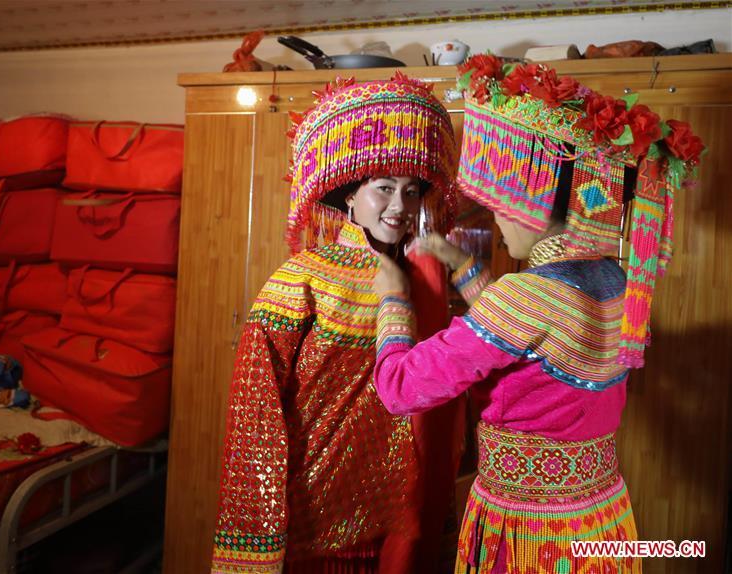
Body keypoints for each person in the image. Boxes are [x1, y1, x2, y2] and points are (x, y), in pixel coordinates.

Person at [372, 56, 703, 573]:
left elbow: (400, 388)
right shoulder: (615, 280)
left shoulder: (526, 296)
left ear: (545, 203)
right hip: (600, 517)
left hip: (529, 533)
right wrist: (459, 262)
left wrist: (392, 299)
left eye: (507, 203)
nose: (499, 217)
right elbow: (520, 333)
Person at [211, 74, 464, 574]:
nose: (399, 207)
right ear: (349, 195)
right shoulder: (304, 274)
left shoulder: (429, 277)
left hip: (403, 502)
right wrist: (256, 518)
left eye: (412, 192)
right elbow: (256, 400)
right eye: (384, 189)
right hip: (321, 499)